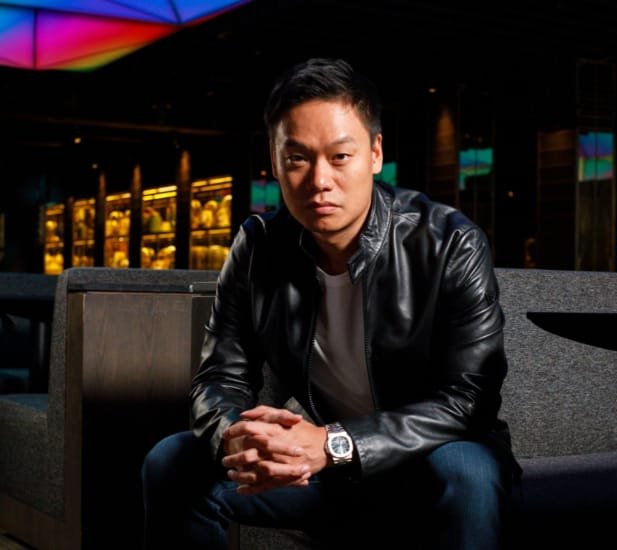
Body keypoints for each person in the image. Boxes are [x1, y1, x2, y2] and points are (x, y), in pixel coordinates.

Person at [142, 57, 519, 549]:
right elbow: (220, 377)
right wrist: (235, 436)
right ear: (275, 161)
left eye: (340, 156)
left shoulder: (448, 242)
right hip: (328, 475)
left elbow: (469, 399)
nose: (320, 180)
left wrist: (335, 443)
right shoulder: (258, 247)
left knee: (467, 471)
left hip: (427, 461)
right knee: (171, 462)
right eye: (298, 158)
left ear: (375, 154)